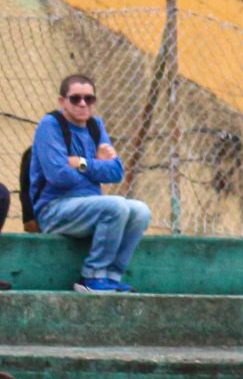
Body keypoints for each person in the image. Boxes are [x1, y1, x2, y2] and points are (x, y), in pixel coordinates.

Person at [27, 74, 151, 293]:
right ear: (62, 101)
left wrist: (82, 163)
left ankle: (110, 277)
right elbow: (58, 176)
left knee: (141, 211)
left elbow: (116, 172)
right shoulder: (51, 125)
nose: (83, 104)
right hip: (54, 209)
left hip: (88, 208)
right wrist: (97, 167)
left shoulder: (95, 126)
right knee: (116, 206)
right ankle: (90, 277)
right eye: (75, 98)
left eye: (89, 99)